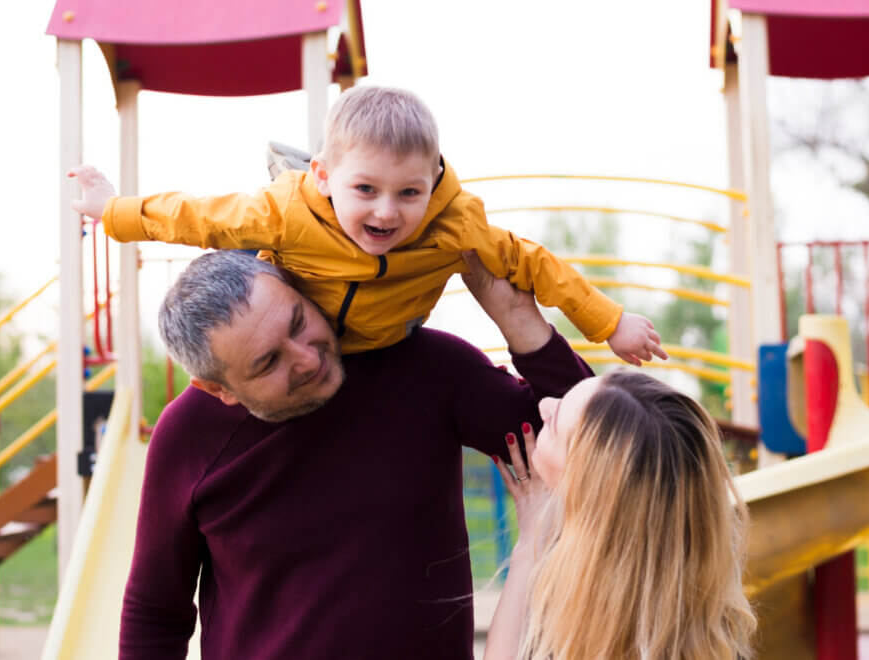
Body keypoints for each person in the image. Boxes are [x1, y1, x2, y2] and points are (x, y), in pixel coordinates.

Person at [120, 249, 594, 659]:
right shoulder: (187, 436)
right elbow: (155, 611)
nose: (307, 358)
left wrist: (521, 323)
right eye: (268, 362)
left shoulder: (422, 367)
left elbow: (596, 444)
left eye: (299, 322)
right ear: (217, 388)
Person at [68, 85, 667, 366]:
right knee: (239, 284)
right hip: (305, 337)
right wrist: (113, 210)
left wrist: (607, 320)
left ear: (432, 179)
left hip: (388, 341)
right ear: (325, 176)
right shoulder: (284, 211)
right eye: (366, 190)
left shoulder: (455, 223)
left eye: (409, 192)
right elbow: (196, 217)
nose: (386, 212)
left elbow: (534, 263)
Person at [484, 371, 756, 660]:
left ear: (585, 488)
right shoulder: (712, 638)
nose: (544, 405)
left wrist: (529, 545)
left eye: (554, 423)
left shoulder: (566, 629)